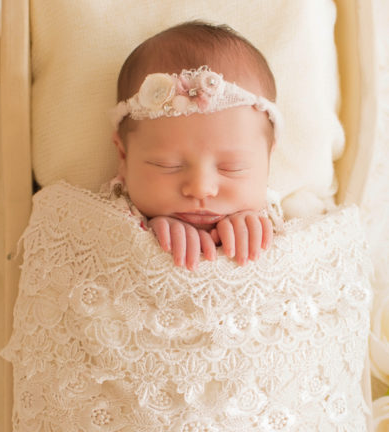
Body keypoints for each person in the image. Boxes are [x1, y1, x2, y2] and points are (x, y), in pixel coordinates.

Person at [108, 21, 283, 271]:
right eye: (168, 165)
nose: (201, 188)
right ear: (123, 156)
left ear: (268, 160)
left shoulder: (281, 216)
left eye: (232, 168)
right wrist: (145, 237)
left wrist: (258, 231)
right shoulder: (109, 217)